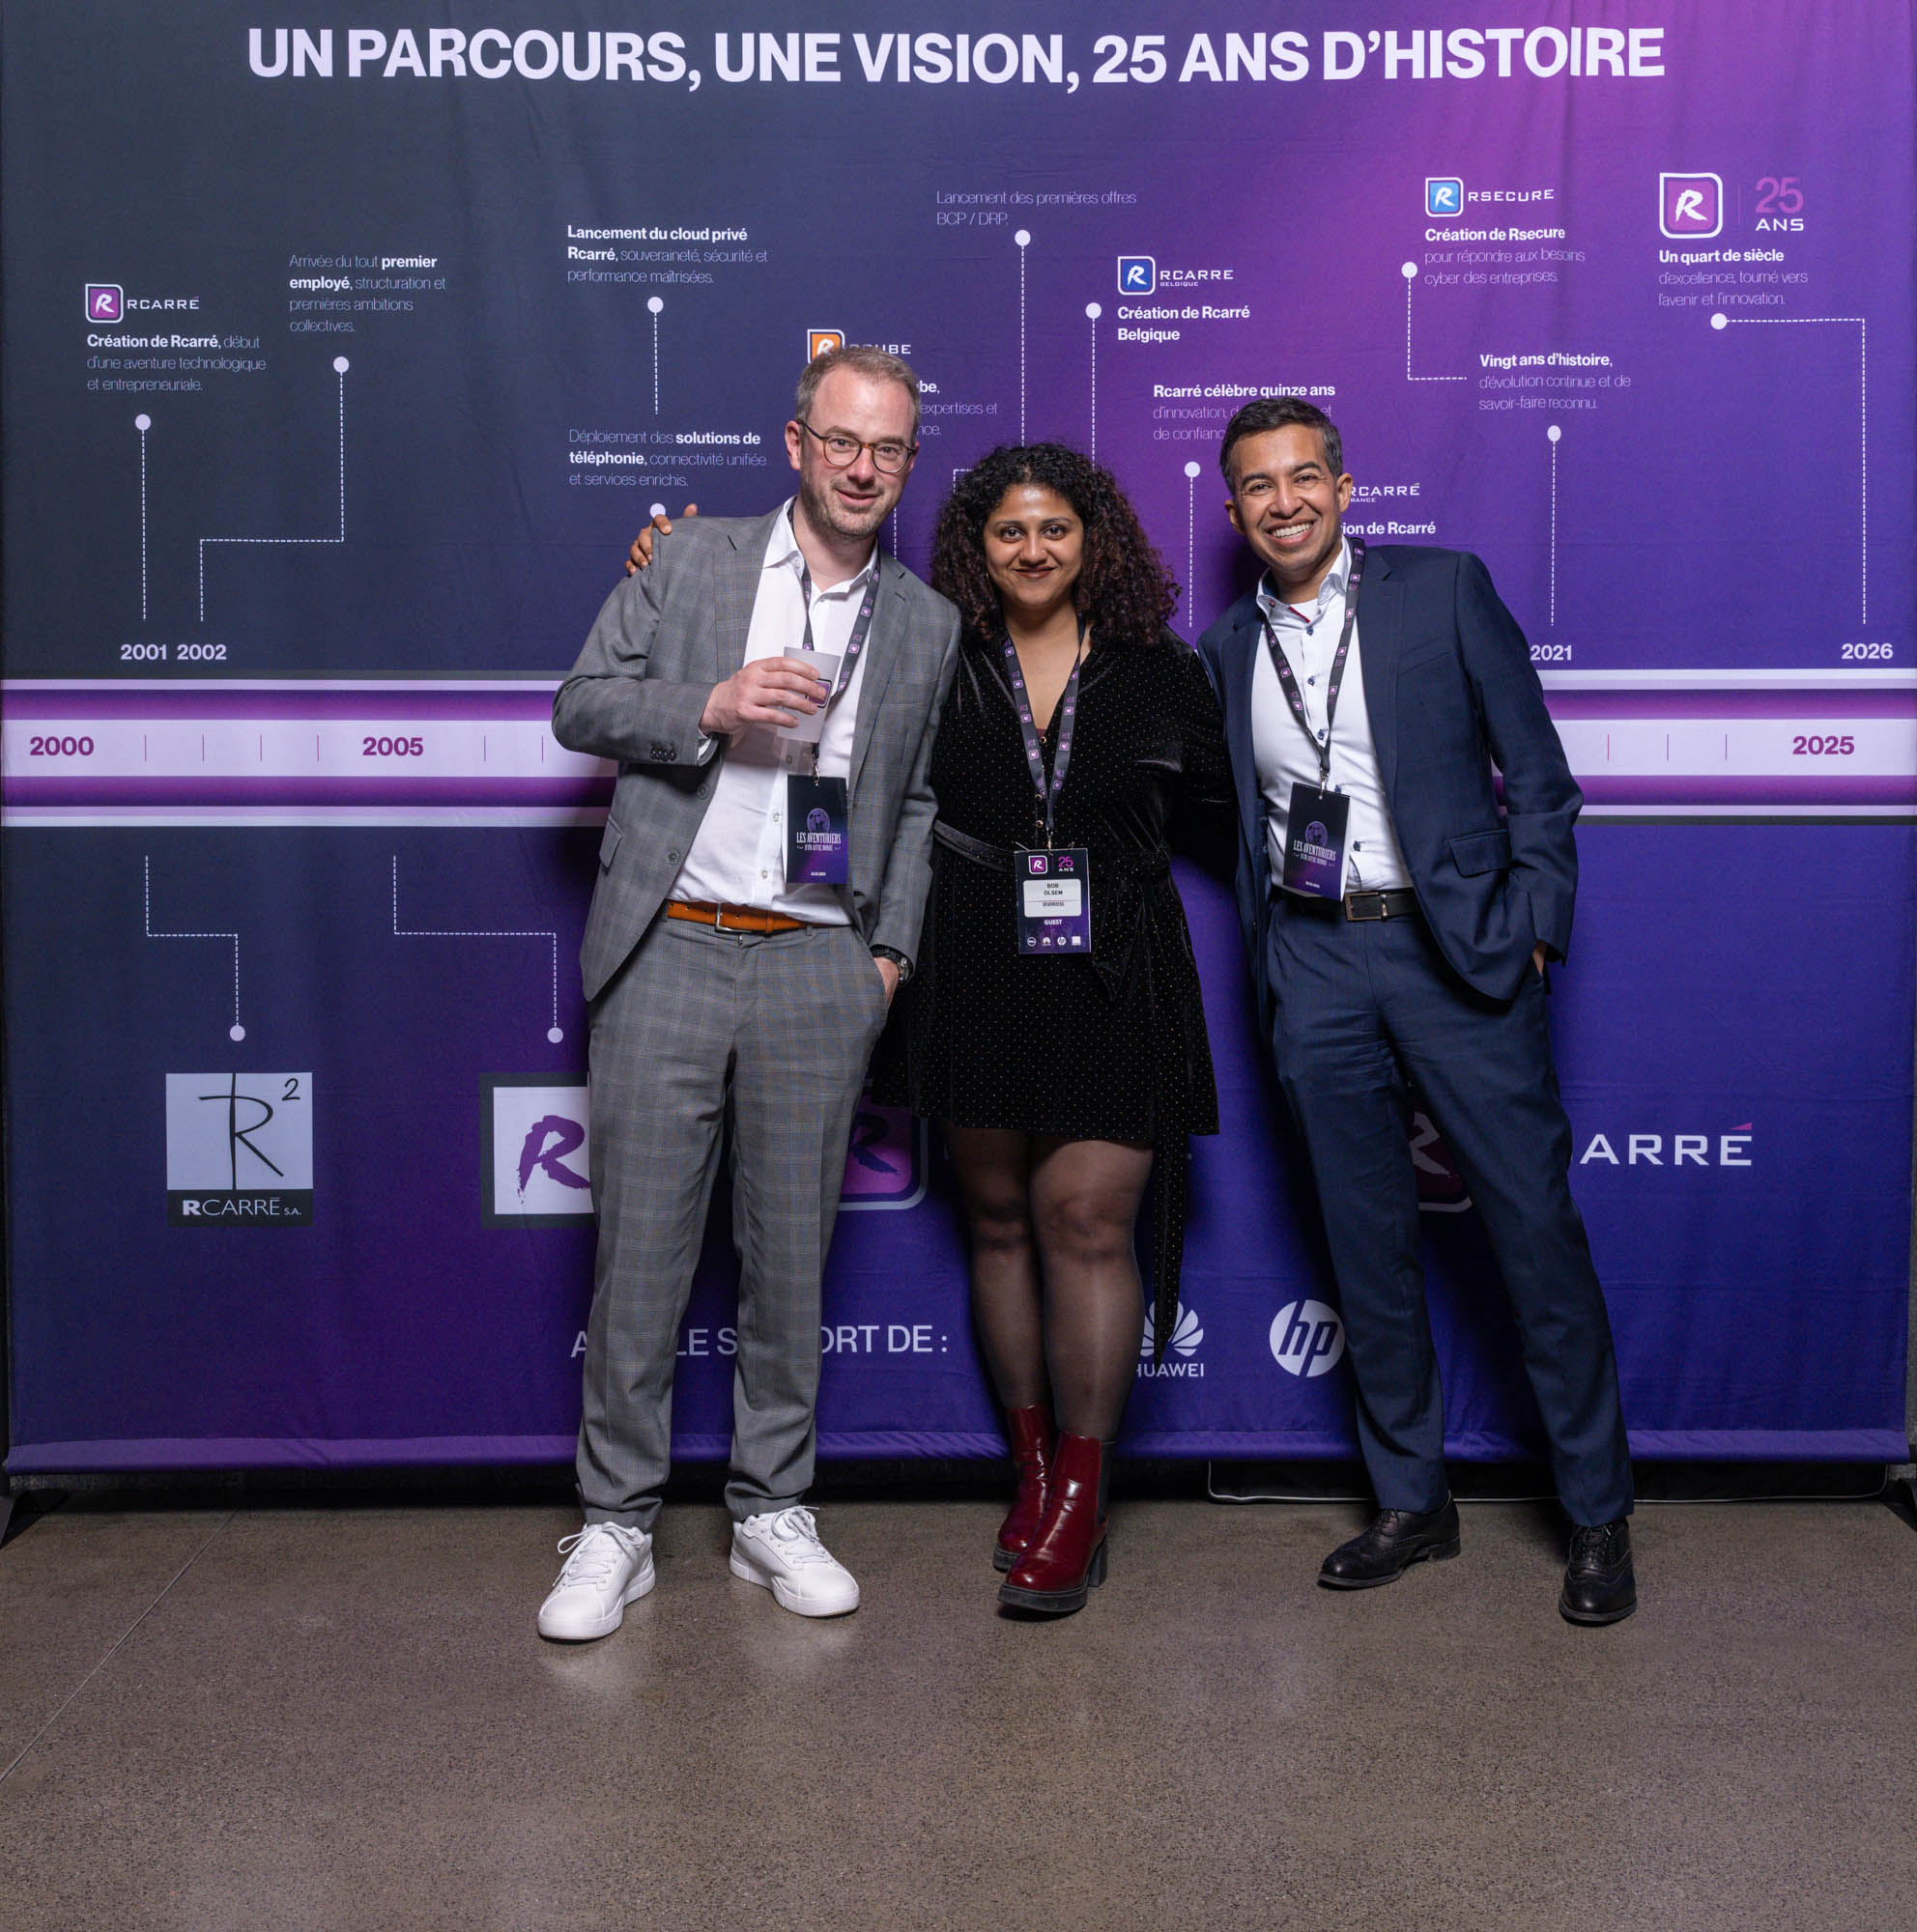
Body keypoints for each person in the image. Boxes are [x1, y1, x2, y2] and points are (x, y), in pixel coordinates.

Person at [630, 444, 1230, 1618]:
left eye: (1055, 528)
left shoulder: (1160, 666)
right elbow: (832, 745)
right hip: (974, 956)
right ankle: (1035, 1471)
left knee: (1086, 1219)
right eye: (1009, 531)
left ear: (1093, 540)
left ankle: (1081, 1500)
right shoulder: (935, 649)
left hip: (1117, 963)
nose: (1033, 550)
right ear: (977, 547)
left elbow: (1225, 798)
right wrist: (667, 560)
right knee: (998, 1222)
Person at [535, 346, 958, 1642]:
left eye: (887, 449)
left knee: (789, 1259)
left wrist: (886, 957)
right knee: (640, 1257)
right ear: (796, 443)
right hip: (670, 942)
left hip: (818, 961)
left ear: (909, 462)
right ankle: (616, 1522)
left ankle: (774, 1504)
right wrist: (711, 704)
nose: (861, 467)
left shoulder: (927, 622)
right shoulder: (690, 559)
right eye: (841, 440)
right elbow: (580, 705)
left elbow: (918, 801)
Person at [1194, 396, 1636, 1626]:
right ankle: (1410, 1499)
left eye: (1302, 477)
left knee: (1534, 1236)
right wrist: (1279, 965)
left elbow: (1538, 776)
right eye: (1256, 485)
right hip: (1315, 963)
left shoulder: (1442, 590)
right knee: (1365, 1245)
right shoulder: (1223, 649)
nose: (1282, 501)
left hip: (1459, 957)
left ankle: (1596, 1512)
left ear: (1343, 488)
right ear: (1231, 510)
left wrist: (1533, 923)